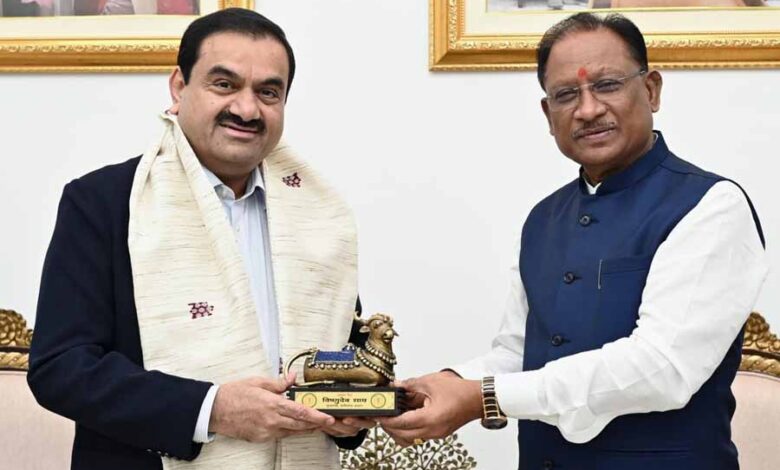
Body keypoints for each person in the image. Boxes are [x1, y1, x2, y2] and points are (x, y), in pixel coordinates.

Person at [379, 12, 768, 470]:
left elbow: (661, 368)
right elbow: (518, 353)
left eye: (607, 85)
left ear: (652, 90)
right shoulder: (544, 218)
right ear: (549, 115)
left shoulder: (711, 206)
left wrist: (483, 397)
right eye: (566, 95)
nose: (587, 110)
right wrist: (444, 384)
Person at [28, 8, 372, 470]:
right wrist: (211, 409)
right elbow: (61, 368)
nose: (246, 109)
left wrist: (351, 412)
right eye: (224, 84)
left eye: (268, 92)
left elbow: (343, 356)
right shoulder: (104, 202)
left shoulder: (318, 214)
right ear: (179, 87)